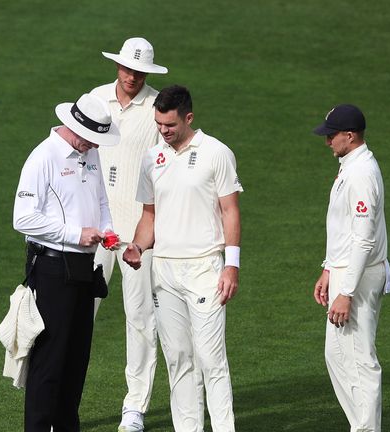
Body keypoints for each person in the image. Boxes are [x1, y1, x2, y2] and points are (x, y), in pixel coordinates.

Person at [122, 85, 243, 432]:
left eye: (170, 125)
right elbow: (150, 216)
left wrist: (231, 265)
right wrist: (138, 247)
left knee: (210, 359)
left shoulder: (216, 153)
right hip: (165, 271)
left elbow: (230, 210)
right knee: (178, 359)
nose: (163, 131)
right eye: (159, 125)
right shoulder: (152, 158)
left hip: (205, 268)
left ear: (188, 118)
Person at [12, 93, 120, 432]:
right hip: (52, 270)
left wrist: (108, 232)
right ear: (76, 129)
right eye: (94, 139)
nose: (98, 147)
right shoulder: (42, 157)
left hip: (84, 270)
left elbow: (102, 201)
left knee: (76, 361)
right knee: (49, 363)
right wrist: (75, 234)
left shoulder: (90, 155)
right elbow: (22, 219)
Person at [89, 37, 168, 432]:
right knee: (78, 315)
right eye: (127, 68)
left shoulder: (158, 110)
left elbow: (164, 172)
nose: (132, 76)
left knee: (140, 318)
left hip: (140, 234)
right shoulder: (94, 99)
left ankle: (134, 407)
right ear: (117, 66)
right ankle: (61, 401)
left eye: (139, 72)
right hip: (95, 231)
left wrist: (150, 232)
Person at [311, 104, 390, 432]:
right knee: (337, 356)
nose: (327, 141)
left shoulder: (361, 173)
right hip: (346, 271)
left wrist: (346, 292)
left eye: (332, 135)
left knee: (360, 361)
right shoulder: (351, 165)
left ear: (350, 135)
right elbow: (343, 229)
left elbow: (363, 240)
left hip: (358, 277)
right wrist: (330, 268)